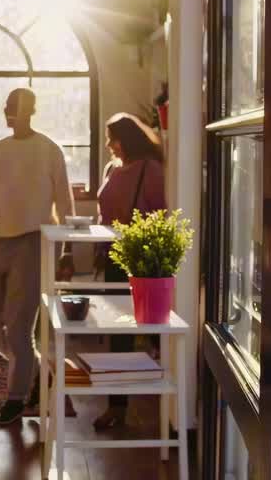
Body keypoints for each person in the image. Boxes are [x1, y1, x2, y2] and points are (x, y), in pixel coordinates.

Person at [0, 88, 76, 427]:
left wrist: (68, 250)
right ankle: (37, 369)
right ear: (5, 110)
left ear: (33, 111)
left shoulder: (49, 150)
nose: (13, 111)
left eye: (20, 107)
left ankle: (15, 399)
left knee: (19, 325)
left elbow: (66, 205)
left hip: (35, 242)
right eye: (9, 106)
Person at [92, 112, 167, 430]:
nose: (109, 144)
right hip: (113, 258)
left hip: (142, 259)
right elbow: (102, 211)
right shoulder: (112, 168)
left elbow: (163, 214)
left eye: (113, 137)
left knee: (153, 331)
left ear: (128, 139)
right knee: (118, 333)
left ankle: (164, 400)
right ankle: (117, 406)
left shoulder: (151, 171)